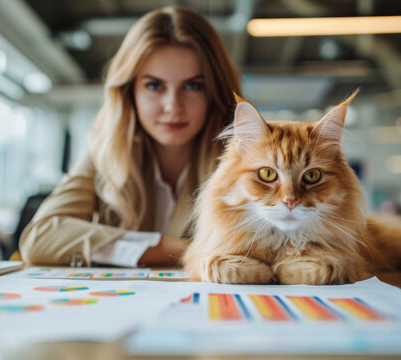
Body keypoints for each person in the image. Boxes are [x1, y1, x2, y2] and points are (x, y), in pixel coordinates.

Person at [19, 6, 241, 267]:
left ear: (214, 92)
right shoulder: (107, 151)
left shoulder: (243, 159)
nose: (173, 106)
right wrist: (174, 249)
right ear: (129, 91)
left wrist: (120, 247)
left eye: (193, 86)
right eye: (154, 86)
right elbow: (40, 238)